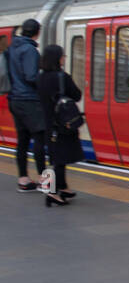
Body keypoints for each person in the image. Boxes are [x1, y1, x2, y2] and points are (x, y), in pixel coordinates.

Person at [37, 43, 83, 207]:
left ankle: (62, 187)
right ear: (57, 58)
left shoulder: (41, 77)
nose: (64, 58)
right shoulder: (62, 77)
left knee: (56, 157)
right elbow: (77, 95)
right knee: (59, 160)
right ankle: (50, 193)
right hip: (64, 124)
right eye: (63, 56)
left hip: (49, 123)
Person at [7, 19, 46, 192]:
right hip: (30, 100)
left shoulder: (12, 48)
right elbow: (31, 76)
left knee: (22, 140)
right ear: (37, 32)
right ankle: (44, 181)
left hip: (14, 99)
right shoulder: (30, 50)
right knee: (40, 139)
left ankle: (23, 179)